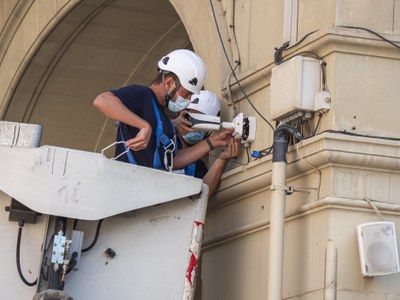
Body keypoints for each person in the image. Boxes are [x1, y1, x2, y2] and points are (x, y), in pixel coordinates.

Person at [93, 49, 233, 171]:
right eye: (186, 94)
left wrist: (212, 142)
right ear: (169, 83)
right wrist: (143, 126)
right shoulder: (143, 96)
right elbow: (102, 101)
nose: (189, 100)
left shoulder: (164, 119)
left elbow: (174, 160)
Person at [173, 90, 240, 195]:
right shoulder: (167, 139)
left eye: (202, 122)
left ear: (209, 131)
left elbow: (205, 191)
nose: (193, 124)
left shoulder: (197, 165)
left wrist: (223, 158)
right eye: (191, 117)